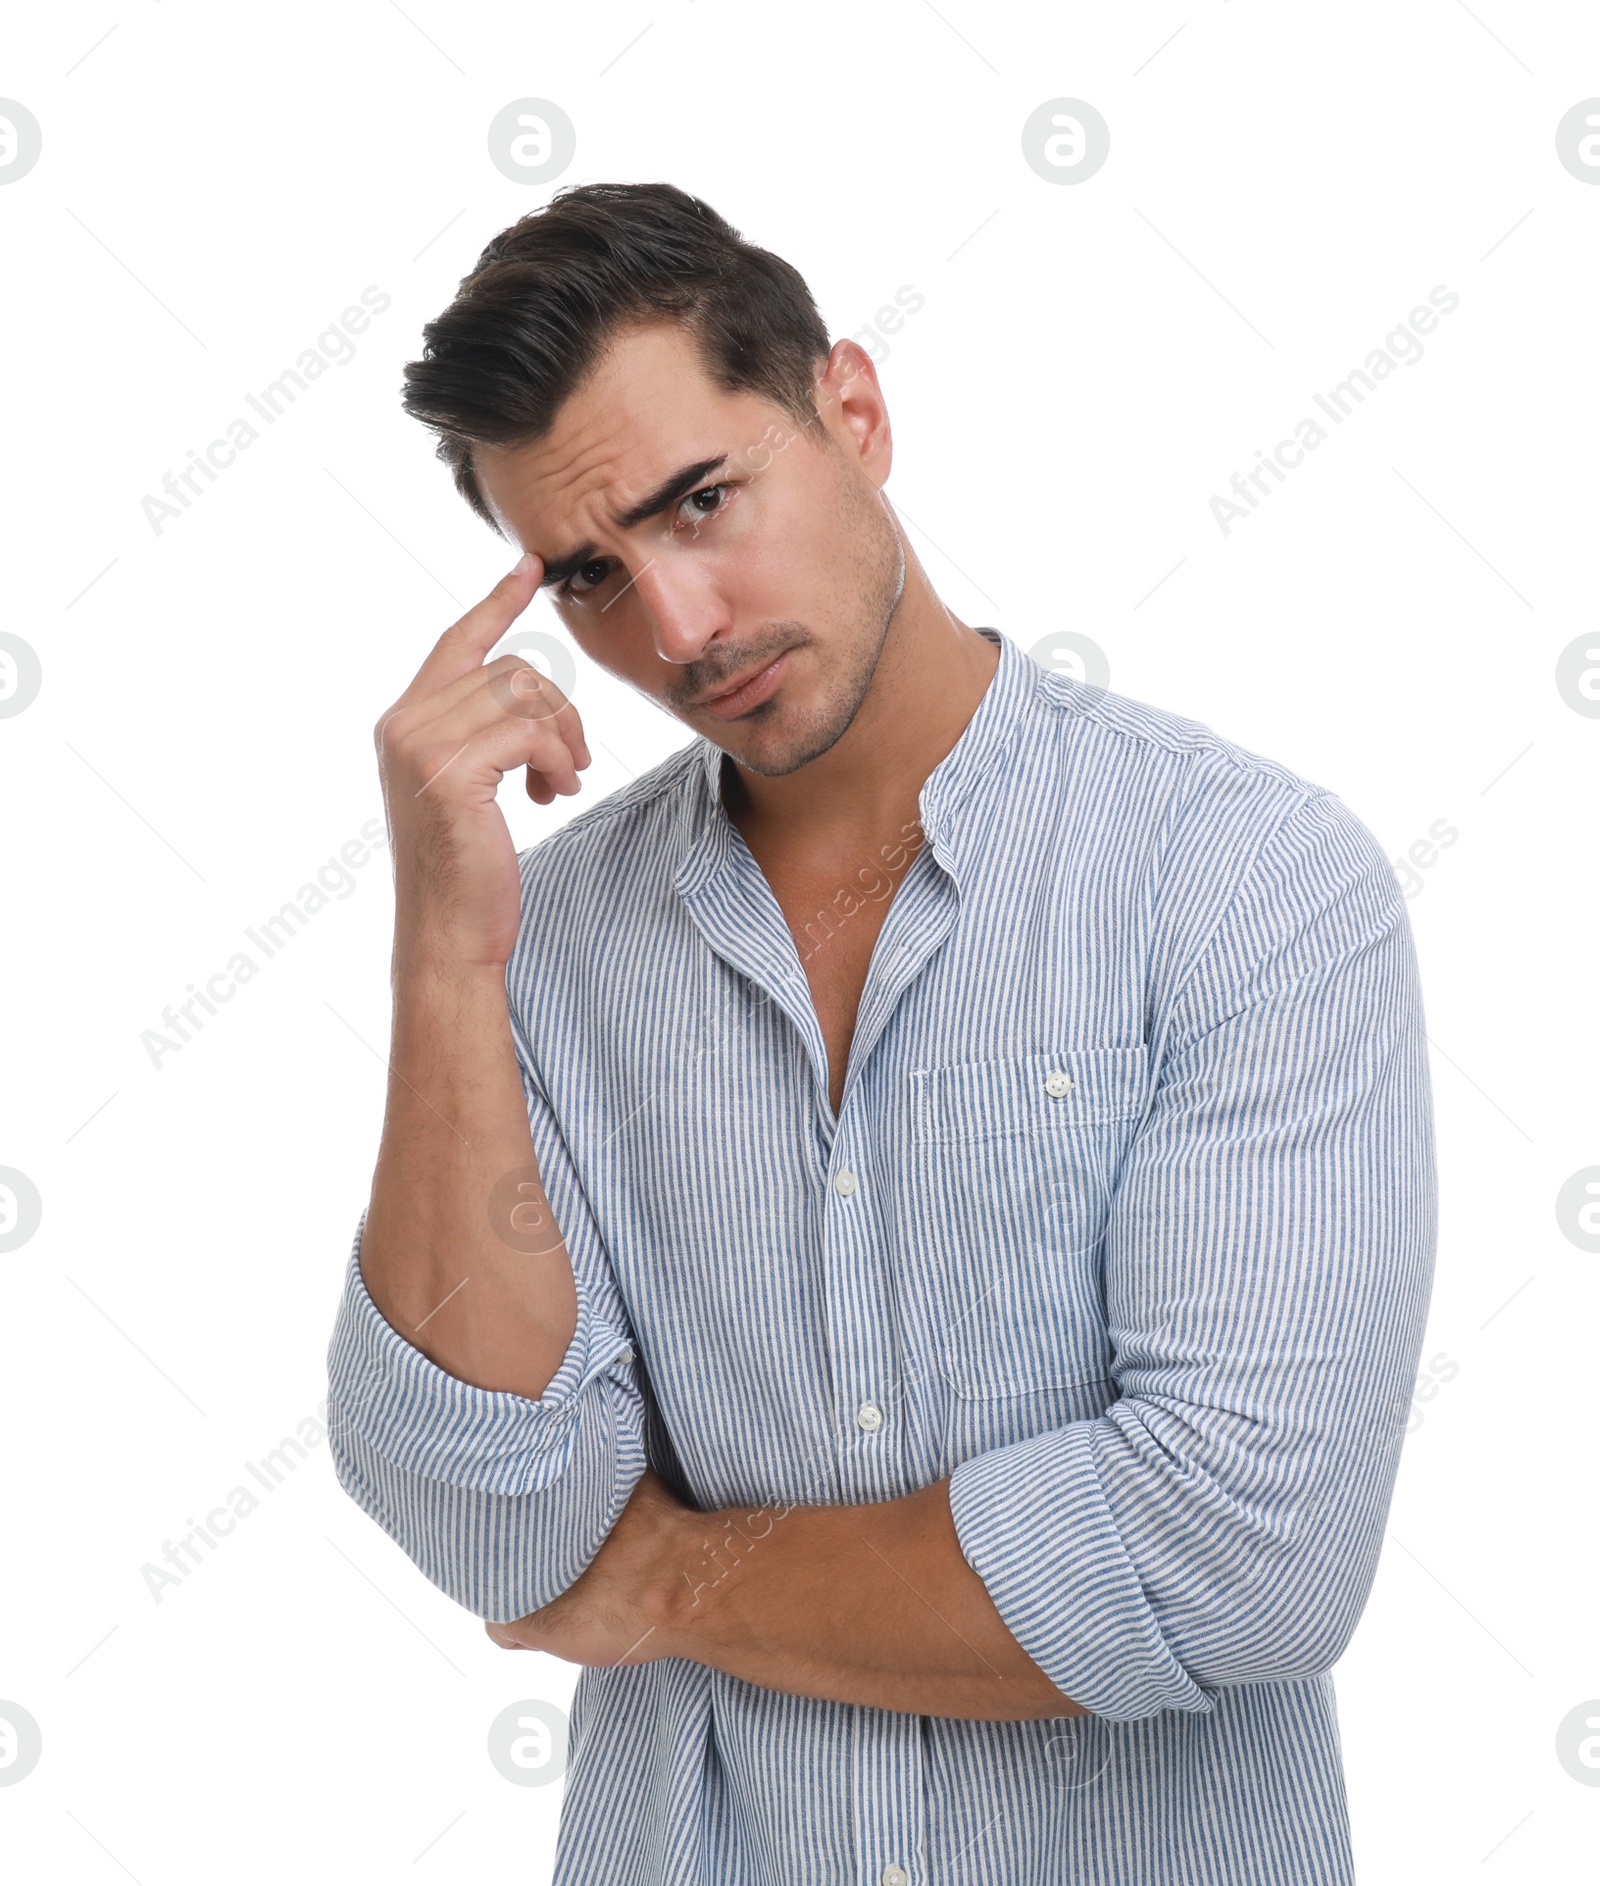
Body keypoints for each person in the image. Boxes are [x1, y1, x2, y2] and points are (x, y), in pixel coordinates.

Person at [326, 180, 1437, 1885]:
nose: (679, 628)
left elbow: (1242, 1550)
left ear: (852, 408)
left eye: (703, 502)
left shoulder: (1246, 884)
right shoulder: (548, 958)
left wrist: (675, 1580)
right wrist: (444, 964)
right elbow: (501, 1519)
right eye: (591, 576)